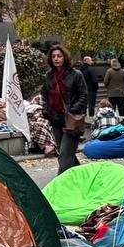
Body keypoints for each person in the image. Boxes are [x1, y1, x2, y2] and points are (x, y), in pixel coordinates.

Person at [41, 44, 87, 173]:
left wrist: (74, 109)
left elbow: (83, 94)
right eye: (53, 56)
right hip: (55, 119)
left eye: (59, 56)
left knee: (65, 155)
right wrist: (46, 110)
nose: (56, 59)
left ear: (64, 57)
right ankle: (81, 177)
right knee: (67, 155)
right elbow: (44, 94)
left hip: (71, 119)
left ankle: (59, 184)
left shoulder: (76, 74)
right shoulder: (49, 76)